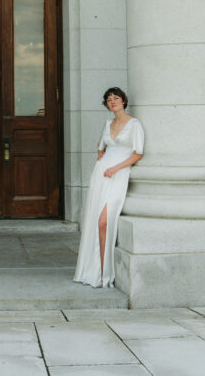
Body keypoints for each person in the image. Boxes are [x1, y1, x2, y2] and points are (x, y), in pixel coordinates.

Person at [73, 87, 144, 288]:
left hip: (117, 175)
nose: (112, 101)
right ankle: (96, 272)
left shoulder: (134, 125)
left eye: (116, 98)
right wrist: (100, 158)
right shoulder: (108, 124)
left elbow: (138, 153)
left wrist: (115, 168)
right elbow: (101, 145)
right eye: (108, 99)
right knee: (96, 221)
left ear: (124, 101)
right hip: (100, 176)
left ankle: (106, 274)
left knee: (104, 221)